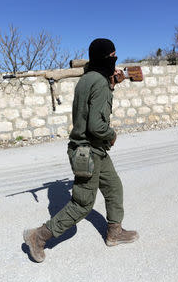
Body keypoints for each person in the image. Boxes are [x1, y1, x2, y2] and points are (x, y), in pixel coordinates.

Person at [23, 38, 139, 263]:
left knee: (113, 187)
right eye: (112, 55)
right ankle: (38, 237)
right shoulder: (100, 83)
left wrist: (112, 84)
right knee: (82, 204)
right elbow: (97, 125)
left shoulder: (88, 79)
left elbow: (91, 110)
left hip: (94, 149)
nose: (115, 58)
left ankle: (114, 233)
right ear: (105, 58)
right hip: (89, 152)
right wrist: (111, 135)